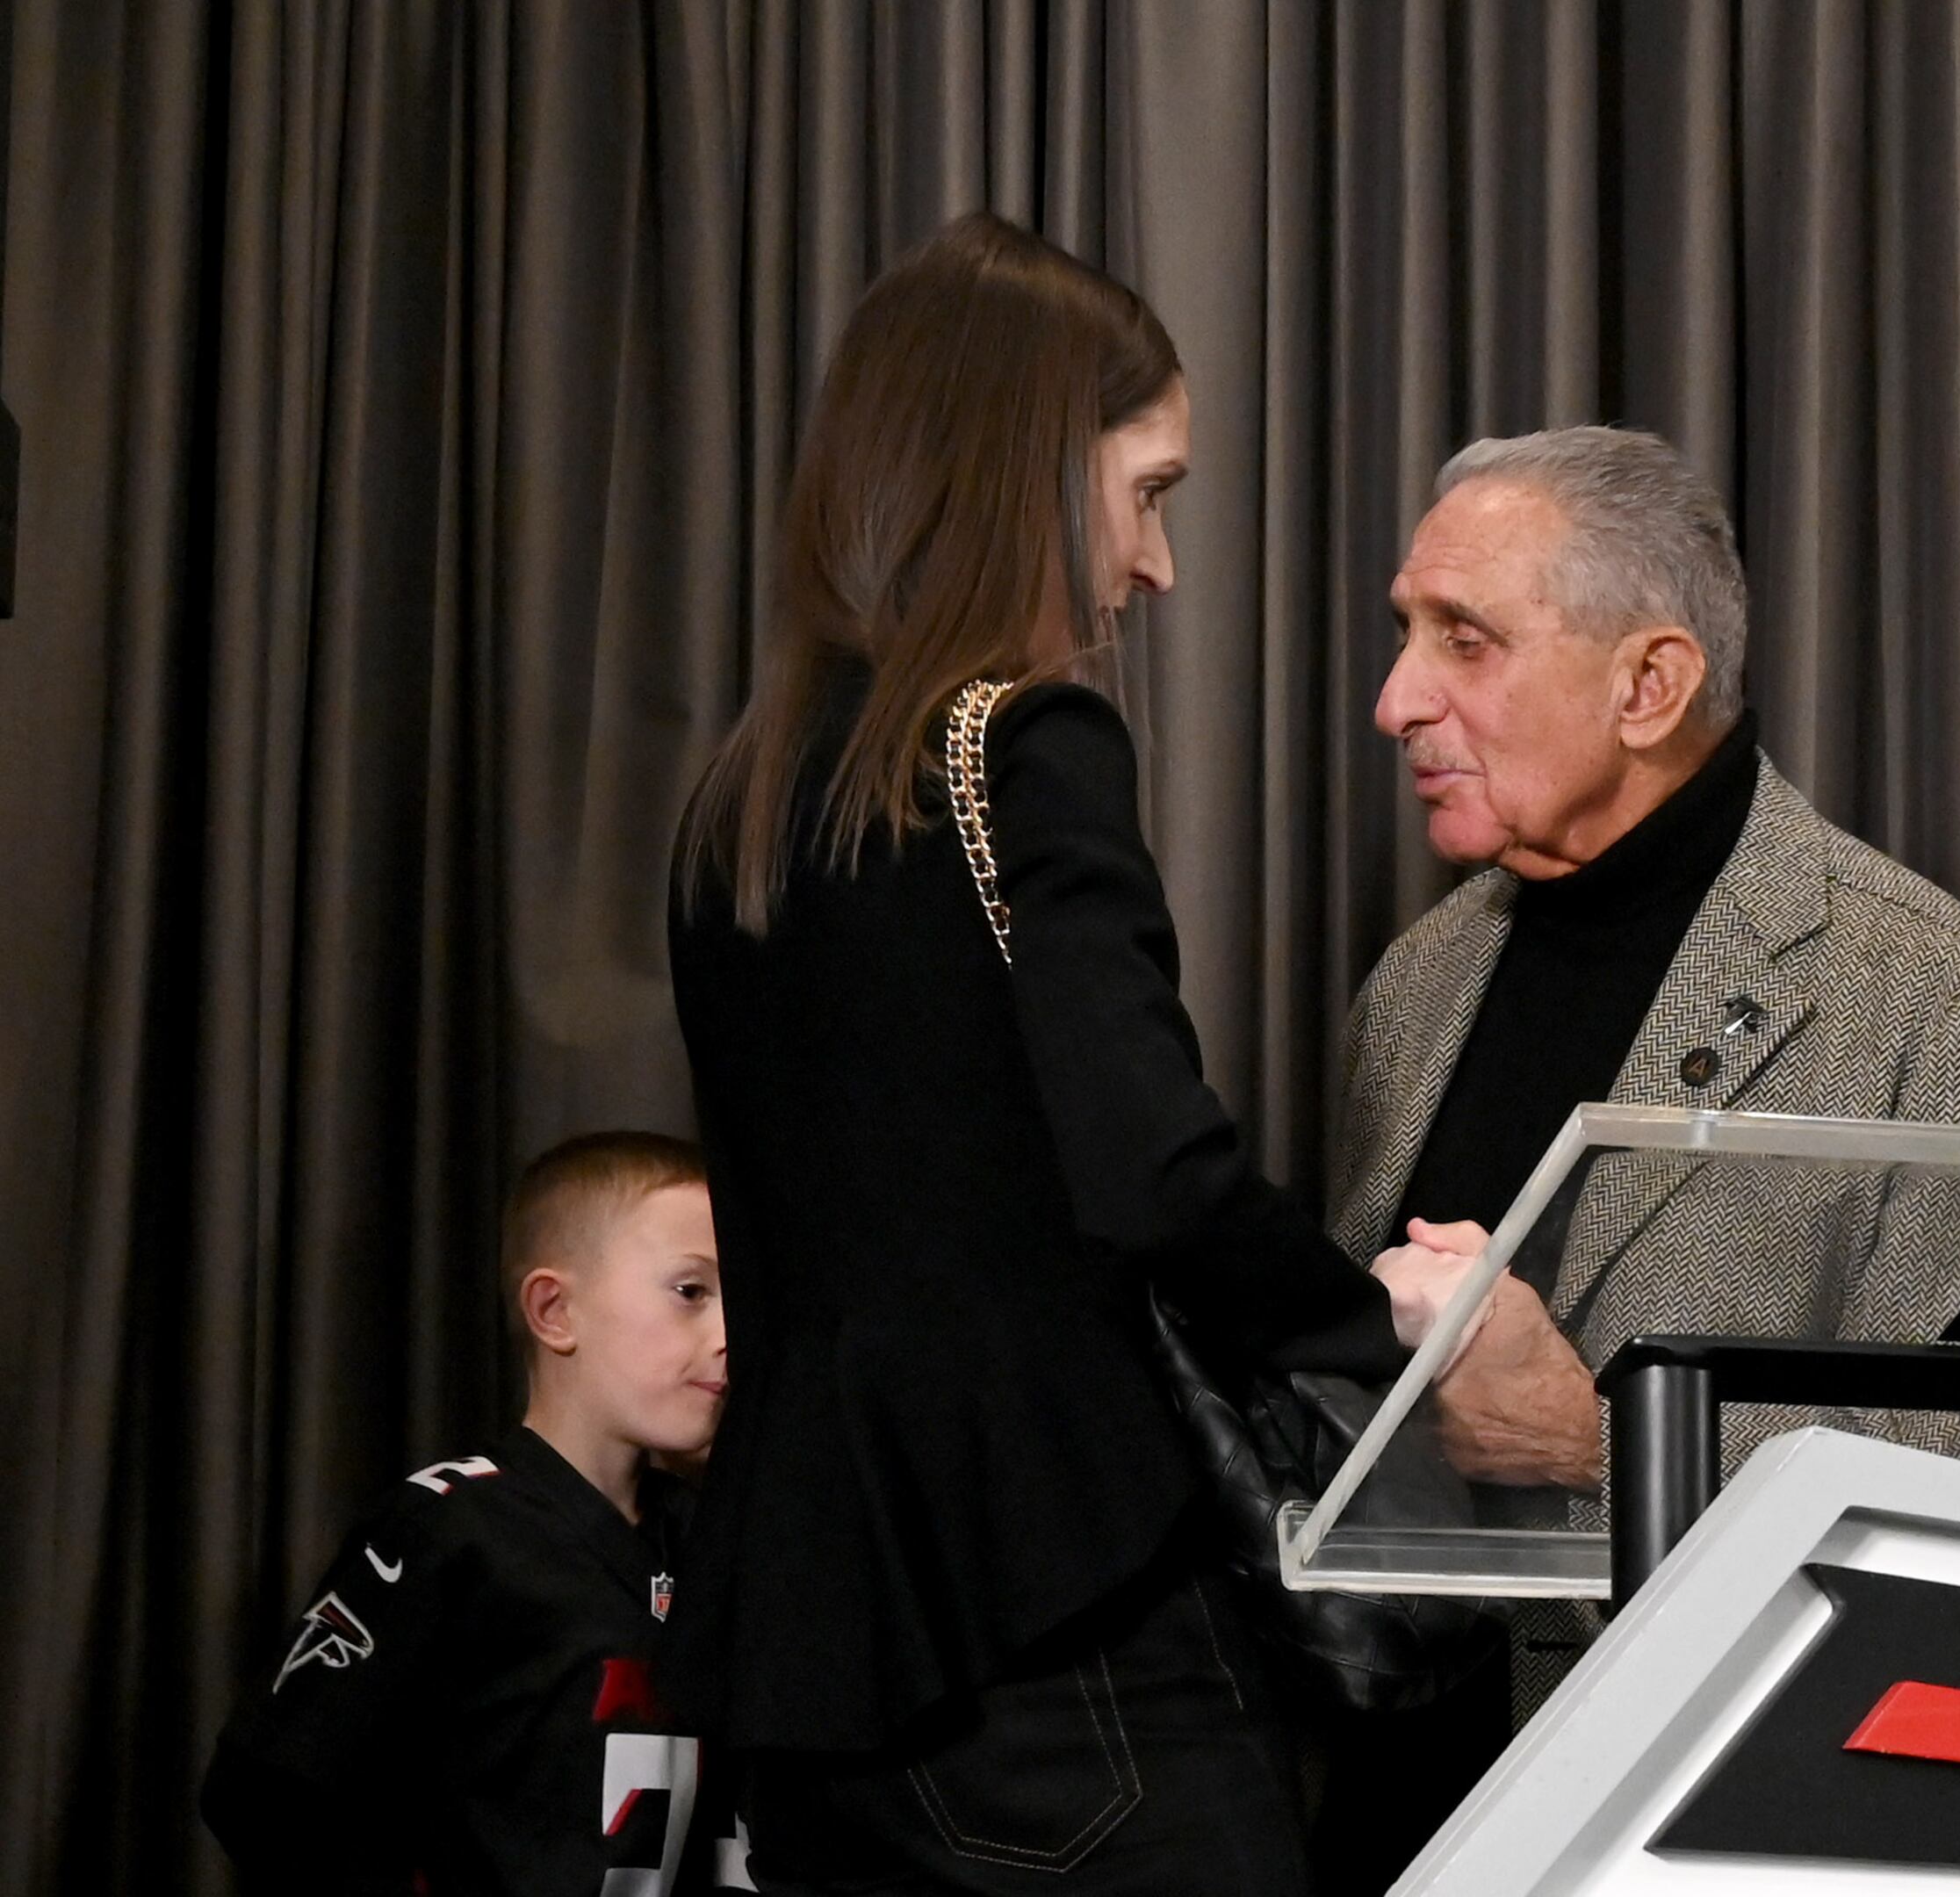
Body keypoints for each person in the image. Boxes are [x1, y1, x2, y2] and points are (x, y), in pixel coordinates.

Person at [667, 213, 1458, 1895]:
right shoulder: (1026, 744)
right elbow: (1154, 1169)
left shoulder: (740, 799)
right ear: (1025, 465)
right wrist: (1382, 1321)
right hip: (1049, 1613)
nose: (1155, 567)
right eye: (1147, 490)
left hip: (799, 1642)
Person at [1325, 425, 1960, 1887]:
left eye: (1463, 640)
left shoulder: (1926, 993)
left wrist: (1604, 1440)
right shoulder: (1416, 986)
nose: (1395, 700)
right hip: (1394, 1822)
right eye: (1407, 635)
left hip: (1716, 1833)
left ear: (1648, 685)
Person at [202, 1131, 746, 1895]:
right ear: (555, 1311)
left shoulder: (716, 1536)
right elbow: (265, 1789)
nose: (728, 1336)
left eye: (735, 1299)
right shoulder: (450, 1529)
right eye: (690, 1292)